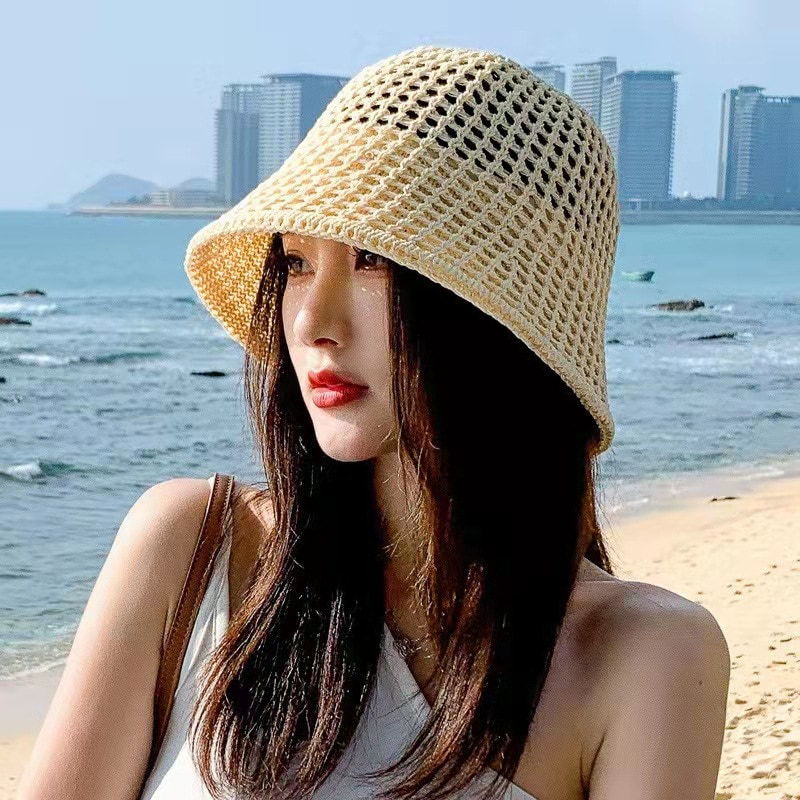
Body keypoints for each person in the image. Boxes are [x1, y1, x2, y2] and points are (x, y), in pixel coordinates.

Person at [19, 44, 730, 800]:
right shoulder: (193, 548)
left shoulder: (642, 654)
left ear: (501, 311)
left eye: (372, 260)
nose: (312, 324)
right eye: (295, 264)